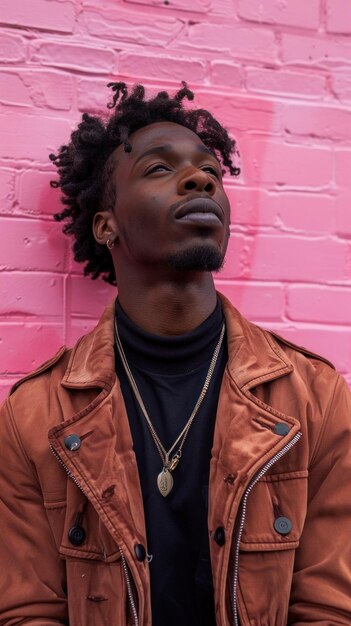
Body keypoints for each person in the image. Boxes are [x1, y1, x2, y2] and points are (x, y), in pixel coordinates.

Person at [0, 81, 350, 626]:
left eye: (210, 170)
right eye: (160, 169)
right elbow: (29, 609)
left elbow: (330, 607)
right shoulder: (35, 415)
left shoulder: (314, 396)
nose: (200, 178)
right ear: (106, 224)